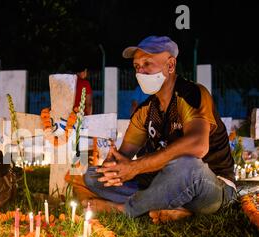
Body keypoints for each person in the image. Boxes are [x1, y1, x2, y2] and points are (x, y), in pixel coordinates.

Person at [81, 36, 236, 223]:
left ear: (170, 65)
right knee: (93, 176)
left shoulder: (192, 94)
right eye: (137, 66)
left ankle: (126, 209)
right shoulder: (145, 110)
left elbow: (198, 145)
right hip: (161, 183)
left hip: (209, 185)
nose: (141, 71)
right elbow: (125, 156)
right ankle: (171, 206)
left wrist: (137, 167)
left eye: (147, 63)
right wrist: (114, 166)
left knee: (187, 166)